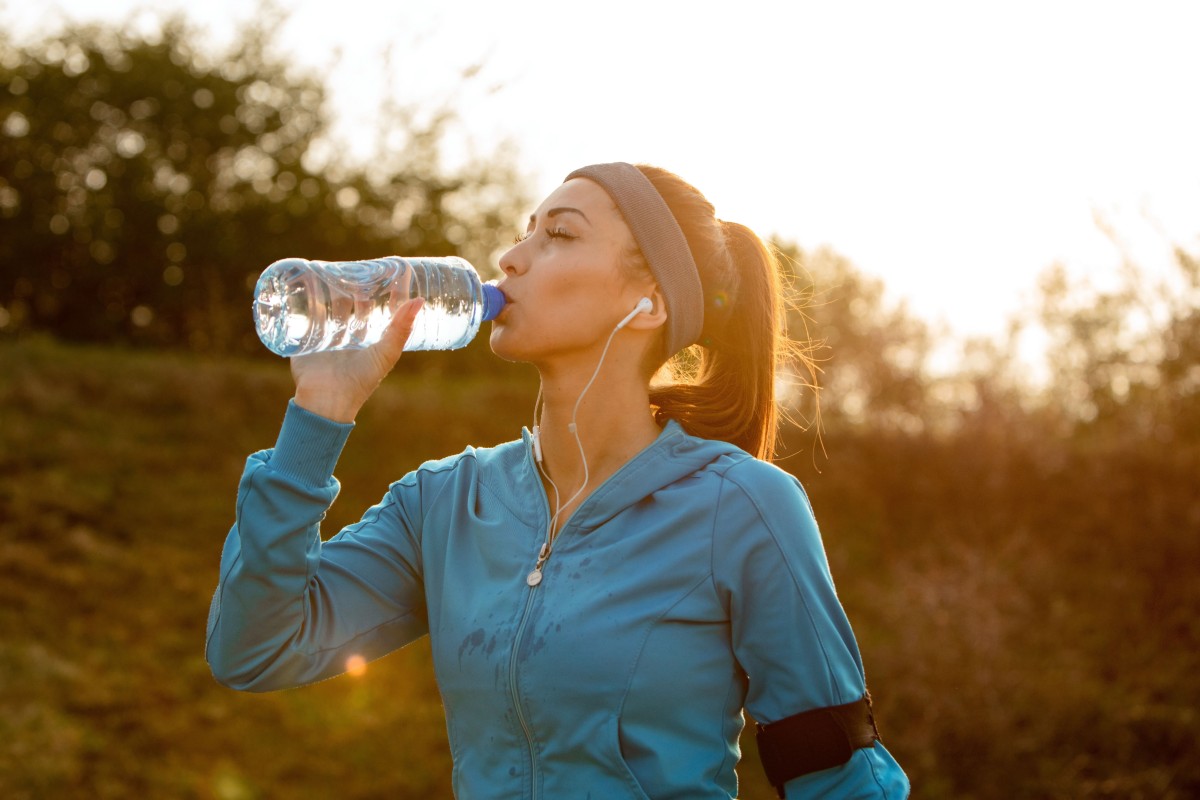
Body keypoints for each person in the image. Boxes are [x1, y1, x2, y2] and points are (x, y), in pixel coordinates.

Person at [206, 162, 910, 798]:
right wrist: (319, 414)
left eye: (559, 236)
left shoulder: (743, 506)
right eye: (524, 232)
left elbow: (837, 772)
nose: (510, 259)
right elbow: (255, 647)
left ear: (651, 302)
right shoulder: (446, 502)